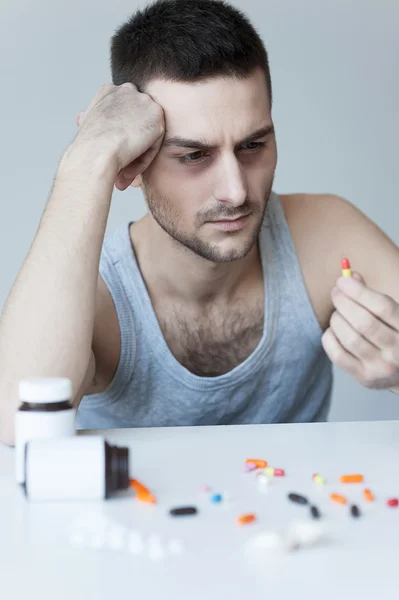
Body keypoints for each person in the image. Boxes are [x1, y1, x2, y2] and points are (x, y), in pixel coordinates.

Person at [1, 0, 399, 445]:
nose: (236, 191)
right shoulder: (97, 298)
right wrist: (87, 160)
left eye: (252, 146)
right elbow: (17, 425)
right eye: (193, 155)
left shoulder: (325, 237)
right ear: (133, 164)